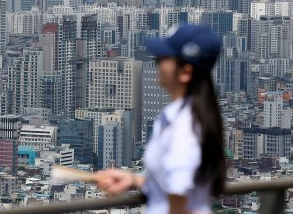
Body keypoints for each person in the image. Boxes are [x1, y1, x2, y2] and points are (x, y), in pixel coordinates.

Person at [94, 24, 226, 214]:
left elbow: (182, 204)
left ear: (185, 72)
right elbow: (173, 184)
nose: (157, 63)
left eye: (163, 58)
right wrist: (134, 180)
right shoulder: (179, 116)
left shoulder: (184, 128)